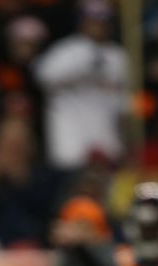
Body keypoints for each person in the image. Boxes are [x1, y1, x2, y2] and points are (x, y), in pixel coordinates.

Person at [33, 0, 129, 171]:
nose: (97, 24)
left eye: (103, 19)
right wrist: (86, 61)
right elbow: (42, 76)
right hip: (71, 137)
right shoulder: (66, 50)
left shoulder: (118, 56)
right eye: (92, 18)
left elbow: (126, 97)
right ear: (82, 21)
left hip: (107, 137)